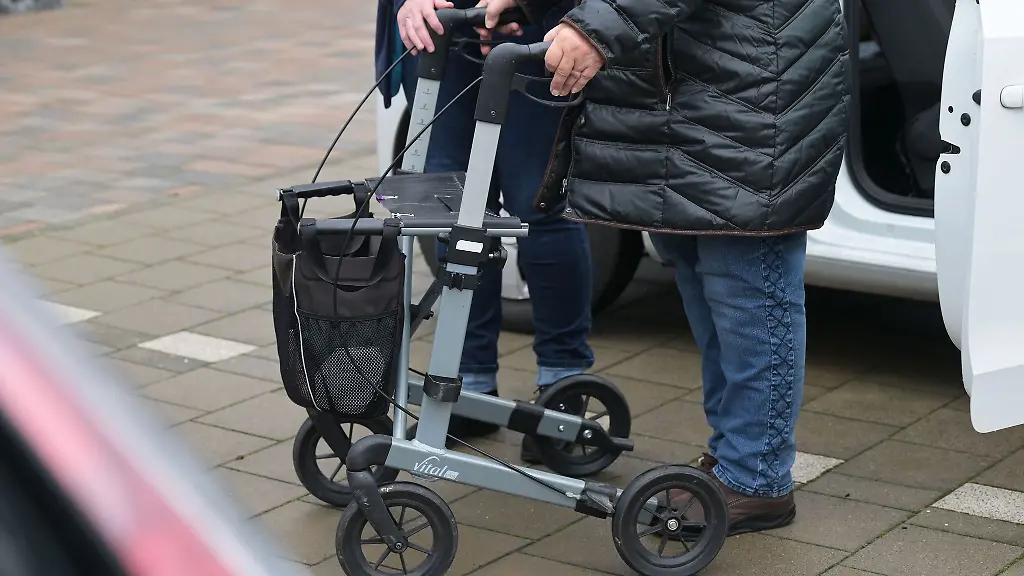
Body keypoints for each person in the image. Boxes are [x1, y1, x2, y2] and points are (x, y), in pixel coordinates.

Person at [476, 0, 849, 535]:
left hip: (748, 92)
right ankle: (734, 459)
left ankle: (757, 479)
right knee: (709, 287)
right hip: (695, 92)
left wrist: (596, 26)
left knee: (749, 296)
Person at [374, 0, 596, 457]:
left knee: (539, 204)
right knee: (453, 210)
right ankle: (469, 382)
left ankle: (563, 385)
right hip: (439, 28)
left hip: (535, 24)